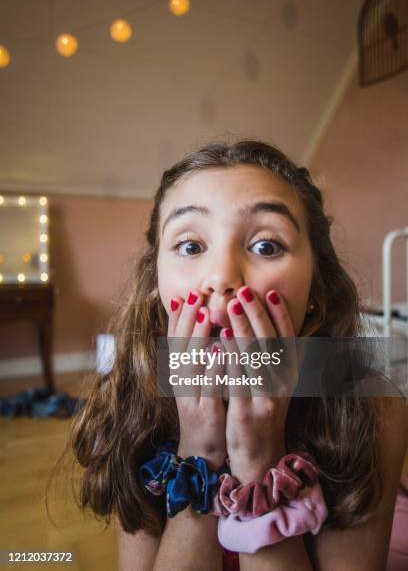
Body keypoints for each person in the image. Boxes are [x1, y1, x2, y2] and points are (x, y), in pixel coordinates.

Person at [63, 140, 408, 570]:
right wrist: (198, 453)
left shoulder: (372, 407)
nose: (222, 277)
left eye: (266, 246)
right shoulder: (131, 398)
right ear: (156, 285)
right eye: (190, 246)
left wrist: (257, 461)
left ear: (315, 290)